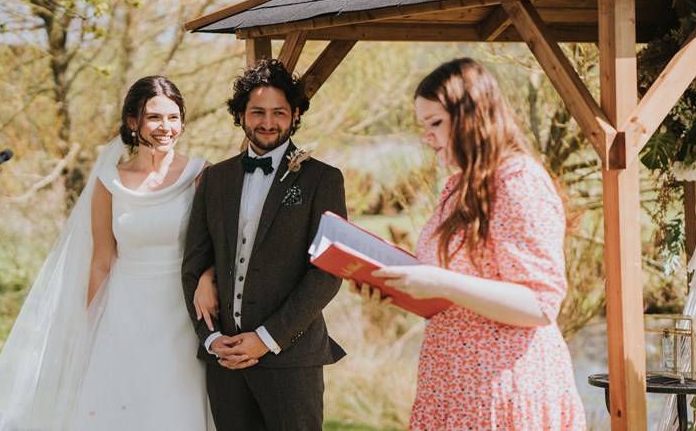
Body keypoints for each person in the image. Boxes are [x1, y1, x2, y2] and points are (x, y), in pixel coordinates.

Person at [0, 76, 217, 431]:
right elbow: (102, 260)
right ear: (133, 122)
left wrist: (208, 278)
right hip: (124, 311)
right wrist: (90, 329)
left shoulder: (202, 174)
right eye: (154, 117)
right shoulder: (108, 181)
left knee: (174, 404)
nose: (166, 127)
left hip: (181, 310)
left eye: (174, 117)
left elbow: (217, 246)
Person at [359, 58, 586, 430]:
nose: (427, 137)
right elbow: (452, 288)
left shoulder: (518, 182)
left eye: (436, 123)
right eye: (423, 125)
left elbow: (540, 304)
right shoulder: (458, 187)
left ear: (472, 117)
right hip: (453, 383)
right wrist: (392, 286)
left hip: (503, 388)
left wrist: (440, 283)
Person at [181, 58, 347, 430]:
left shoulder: (323, 179)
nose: (268, 122)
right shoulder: (215, 180)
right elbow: (194, 266)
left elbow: (328, 273)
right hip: (224, 363)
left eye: (279, 112)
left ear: (295, 115)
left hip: (291, 360)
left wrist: (266, 338)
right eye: (257, 111)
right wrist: (210, 340)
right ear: (241, 115)